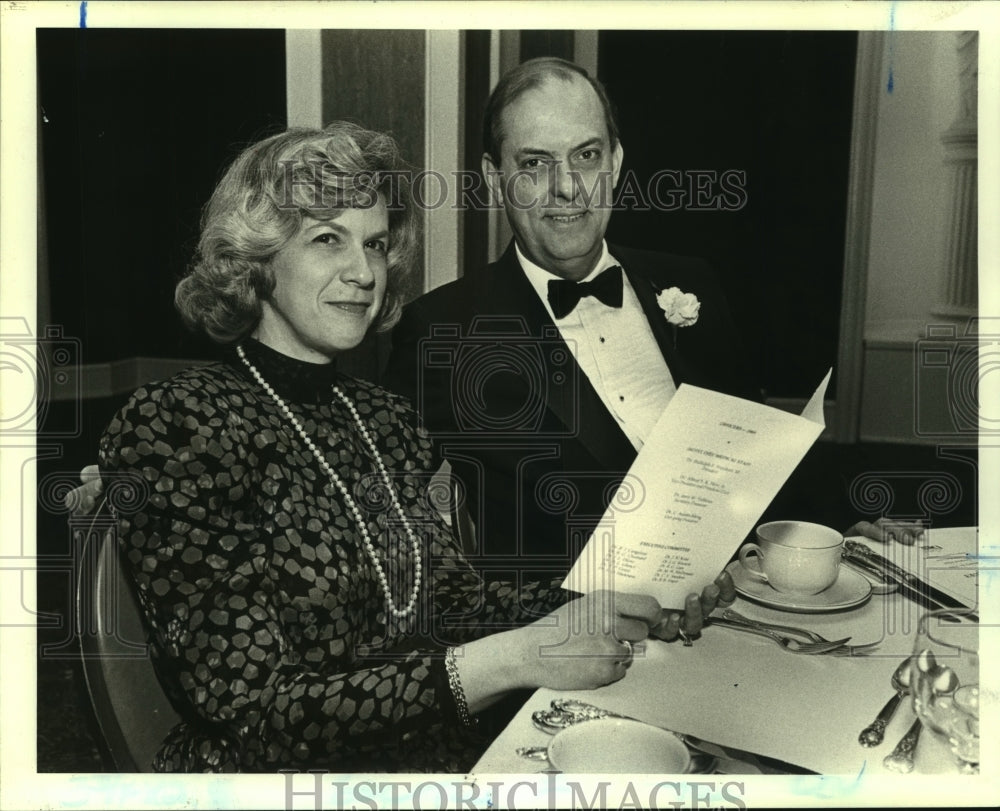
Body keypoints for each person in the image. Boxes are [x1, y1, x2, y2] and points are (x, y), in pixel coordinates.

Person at [81, 122, 731, 773]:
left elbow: (452, 602)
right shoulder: (181, 423)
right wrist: (512, 657)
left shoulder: (383, 418)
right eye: (327, 239)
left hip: (427, 750)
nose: (363, 271)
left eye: (375, 243)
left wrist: (584, 606)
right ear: (257, 258)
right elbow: (254, 712)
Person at [382, 57, 922, 586]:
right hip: (568, 639)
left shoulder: (690, 281)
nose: (567, 187)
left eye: (586, 155)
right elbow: (383, 511)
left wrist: (841, 509)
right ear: (493, 176)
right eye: (534, 163)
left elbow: (746, 437)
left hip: (733, 605)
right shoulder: (442, 330)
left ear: (615, 162)